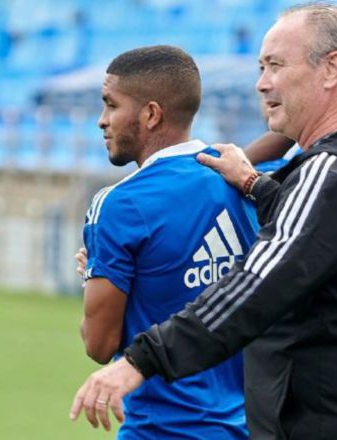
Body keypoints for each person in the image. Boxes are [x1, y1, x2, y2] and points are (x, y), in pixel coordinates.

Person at [70, 4, 337, 440]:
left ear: (331, 69)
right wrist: (252, 183)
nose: (262, 83)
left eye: (275, 65)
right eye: (261, 67)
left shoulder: (329, 175)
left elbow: (252, 288)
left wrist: (138, 363)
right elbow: (320, 237)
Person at [78, 45, 258, 438]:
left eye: (111, 105)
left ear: (151, 114)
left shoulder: (119, 205)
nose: (101, 121)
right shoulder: (240, 178)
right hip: (247, 426)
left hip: (163, 428)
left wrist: (89, 277)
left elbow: (98, 343)